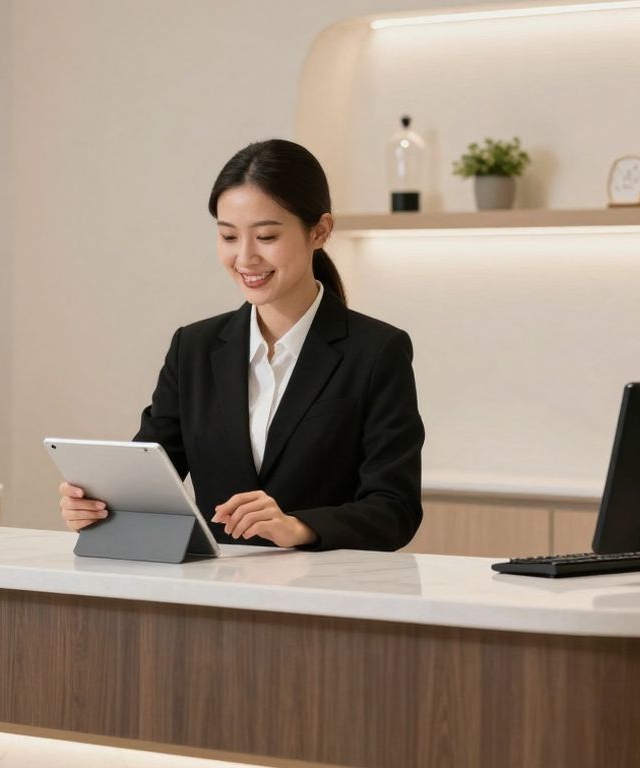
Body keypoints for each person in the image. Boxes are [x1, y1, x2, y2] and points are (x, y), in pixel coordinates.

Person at [59, 139, 425, 551]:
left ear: (319, 231)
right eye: (229, 237)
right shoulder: (193, 349)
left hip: (323, 594)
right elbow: (149, 480)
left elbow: (395, 509)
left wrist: (298, 527)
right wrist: (99, 506)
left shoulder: (376, 351)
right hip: (213, 595)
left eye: (266, 236)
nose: (245, 258)